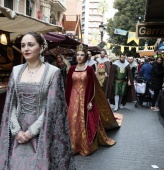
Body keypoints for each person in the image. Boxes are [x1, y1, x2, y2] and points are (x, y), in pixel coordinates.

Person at [0, 32, 75, 170]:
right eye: (23, 46)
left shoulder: (53, 72)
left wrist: (31, 132)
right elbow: (11, 104)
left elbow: (52, 108)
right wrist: (16, 131)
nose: (25, 49)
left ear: (41, 47)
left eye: (30, 44)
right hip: (18, 133)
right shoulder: (16, 71)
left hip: (42, 133)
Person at [65, 44, 123, 156]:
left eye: (82, 55)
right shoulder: (71, 69)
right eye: (78, 55)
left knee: (83, 119)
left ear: (85, 56)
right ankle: (73, 145)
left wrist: (90, 101)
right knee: (72, 119)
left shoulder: (89, 70)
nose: (79, 57)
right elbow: (68, 86)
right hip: (73, 97)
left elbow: (92, 86)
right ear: (75, 56)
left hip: (84, 98)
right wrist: (66, 101)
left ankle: (83, 145)